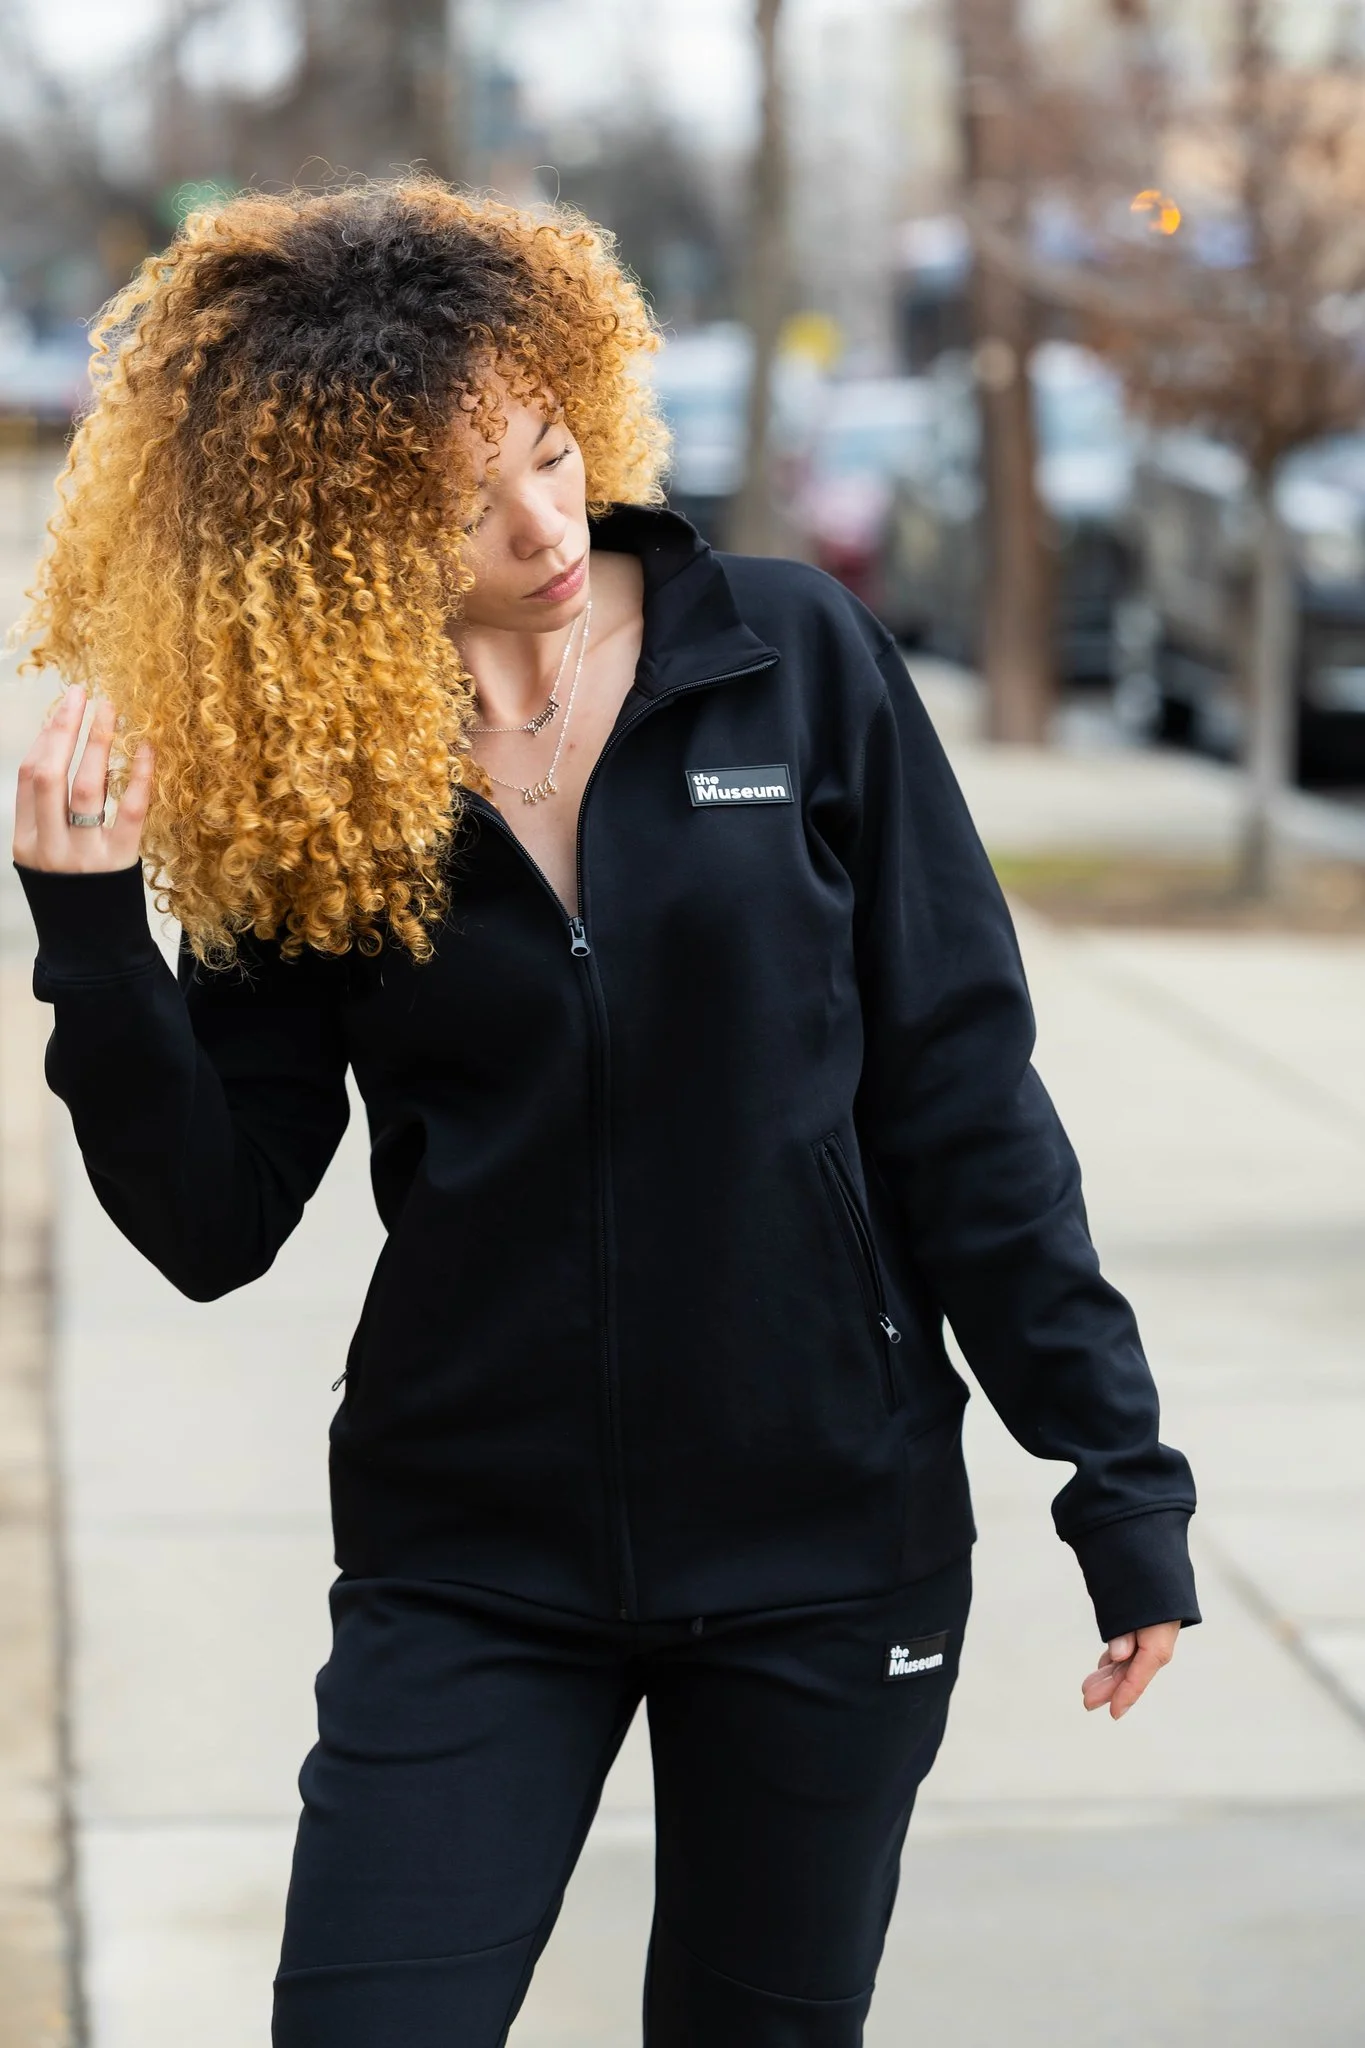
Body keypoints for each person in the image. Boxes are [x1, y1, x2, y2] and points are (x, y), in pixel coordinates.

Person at [11, 179, 1198, 2048]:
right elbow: (215, 1221)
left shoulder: (795, 661)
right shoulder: (323, 785)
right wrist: (93, 943)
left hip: (828, 1546)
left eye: (553, 453)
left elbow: (966, 1098)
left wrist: (1116, 1473)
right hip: (474, 1556)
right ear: (338, 531)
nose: (546, 525)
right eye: (462, 502)